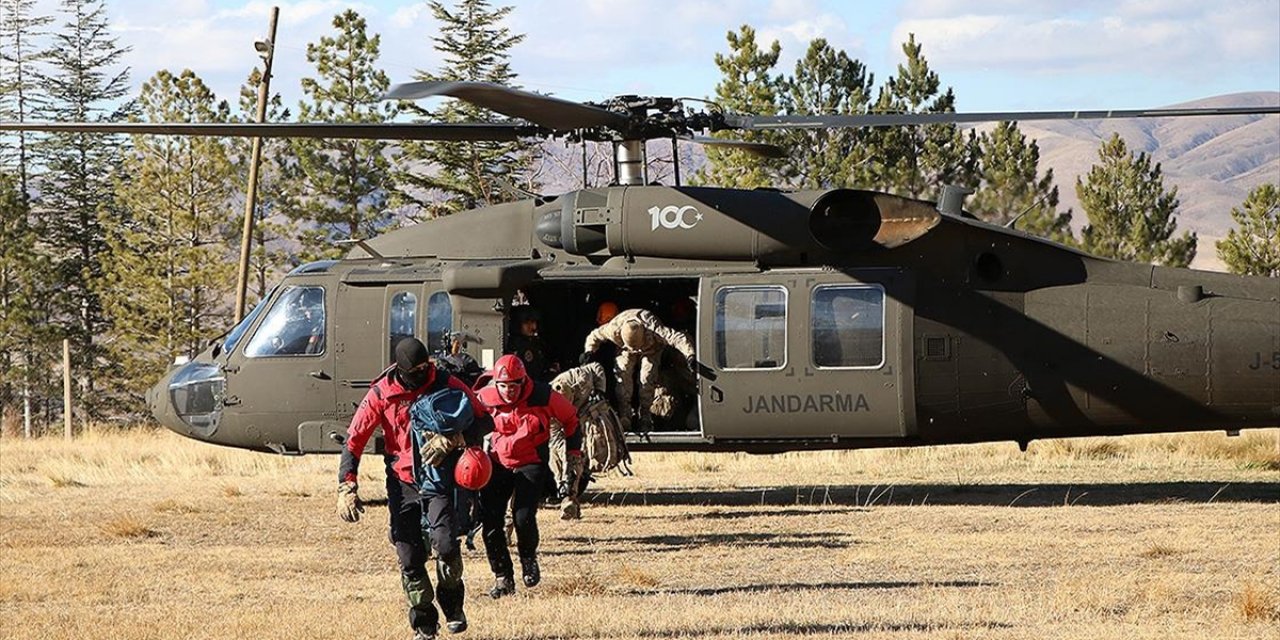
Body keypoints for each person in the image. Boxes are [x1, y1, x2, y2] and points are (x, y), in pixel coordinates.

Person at [337, 338, 491, 640]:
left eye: (427, 367)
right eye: (417, 370)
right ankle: (424, 622)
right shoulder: (381, 394)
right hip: (402, 481)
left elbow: (485, 420)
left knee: (445, 546)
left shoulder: (446, 382)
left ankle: (453, 604)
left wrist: (455, 439)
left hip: (439, 477)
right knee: (409, 555)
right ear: (402, 369)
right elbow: (354, 440)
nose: (424, 373)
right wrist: (347, 485)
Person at [475, 354, 581, 598]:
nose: (508, 392)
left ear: (523, 382)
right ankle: (502, 577)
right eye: (503, 386)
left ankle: (528, 558)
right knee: (491, 522)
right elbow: (466, 422)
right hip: (497, 463)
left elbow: (571, 419)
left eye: (514, 386)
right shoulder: (483, 398)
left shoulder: (543, 395)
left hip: (531, 462)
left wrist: (573, 453)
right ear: (495, 383)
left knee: (523, 517)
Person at [580, 308, 695, 432]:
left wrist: (690, 355)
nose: (637, 352)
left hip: (650, 349)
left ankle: (646, 417)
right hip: (625, 350)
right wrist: (589, 351)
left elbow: (677, 338)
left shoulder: (654, 328)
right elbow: (594, 336)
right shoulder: (613, 328)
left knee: (647, 379)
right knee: (622, 375)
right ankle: (625, 416)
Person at [506, 305, 554, 382]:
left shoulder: (536, 343)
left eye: (533, 322)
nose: (532, 327)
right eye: (526, 323)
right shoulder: (513, 345)